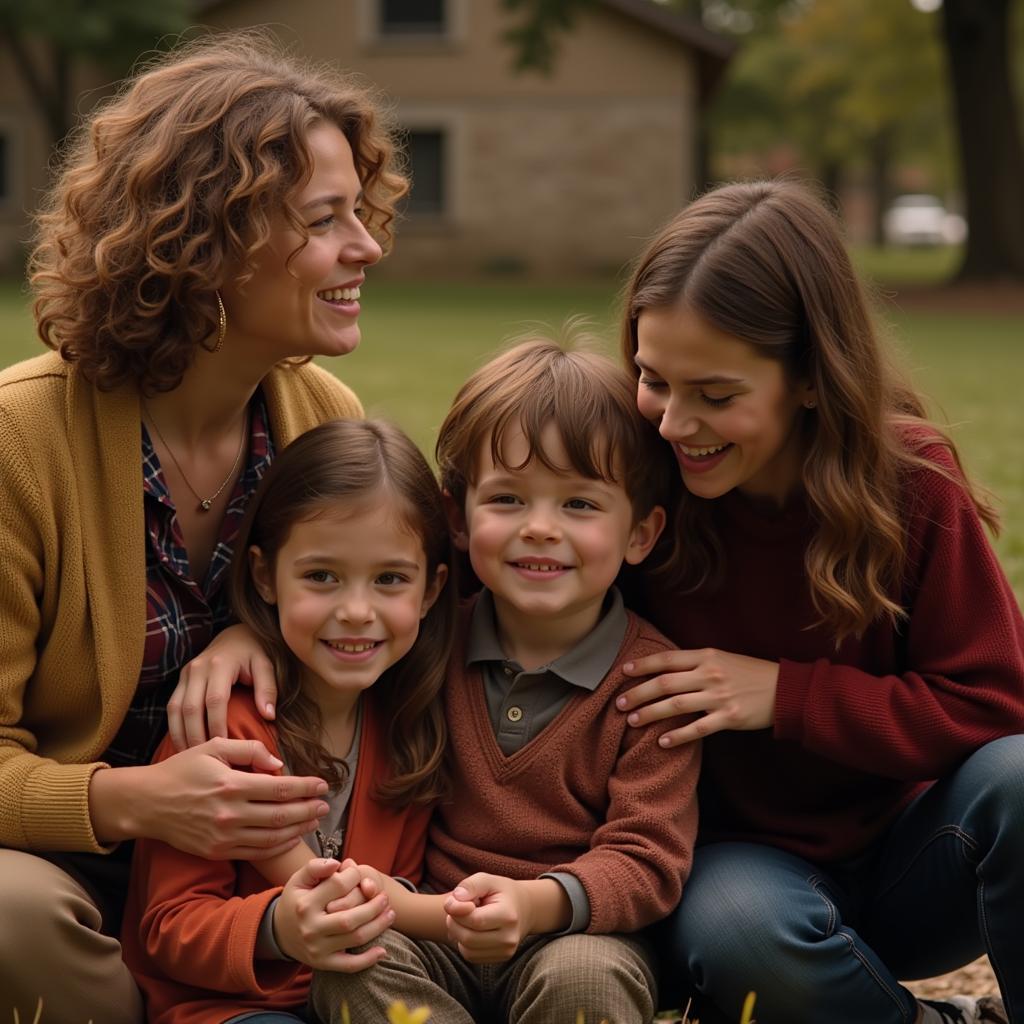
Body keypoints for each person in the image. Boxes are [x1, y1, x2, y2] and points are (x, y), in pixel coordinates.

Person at [0, 30, 406, 1023]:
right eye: (326, 219)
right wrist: (133, 801)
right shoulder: (19, 443)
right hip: (70, 867)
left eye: (360, 210)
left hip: (251, 882)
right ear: (208, 245)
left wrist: (251, 628)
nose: (368, 246)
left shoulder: (329, 419)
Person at [615, 180, 1024, 1024]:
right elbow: (480, 549)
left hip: (917, 859)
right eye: (653, 379)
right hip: (742, 875)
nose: (674, 422)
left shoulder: (910, 482)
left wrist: (781, 694)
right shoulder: (634, 477)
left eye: (716, 395)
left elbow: (995, 703)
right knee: (741, 934)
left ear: (810, 376)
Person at [307, 338, 702, 1024]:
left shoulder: (652, 685)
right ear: (458, 520)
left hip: (573, 935)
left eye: (579, 505)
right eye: (508, 499)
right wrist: (237, 639)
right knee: (349, 971)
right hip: (433, 927)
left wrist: (539, 902)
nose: (540, 529)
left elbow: (648, 858)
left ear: (640, 533)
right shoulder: (424, 637)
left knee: (586, 984)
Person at [120, 417, 454, 1024]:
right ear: (265, 576)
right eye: (321, 576)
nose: (356, 611)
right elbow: (168, 927)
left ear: (430, 593)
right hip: (232, 1008)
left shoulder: (407, 723)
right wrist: (277, 928)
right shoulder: (223, 730)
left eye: (390, 579)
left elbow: (398, 895)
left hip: (361, 988)